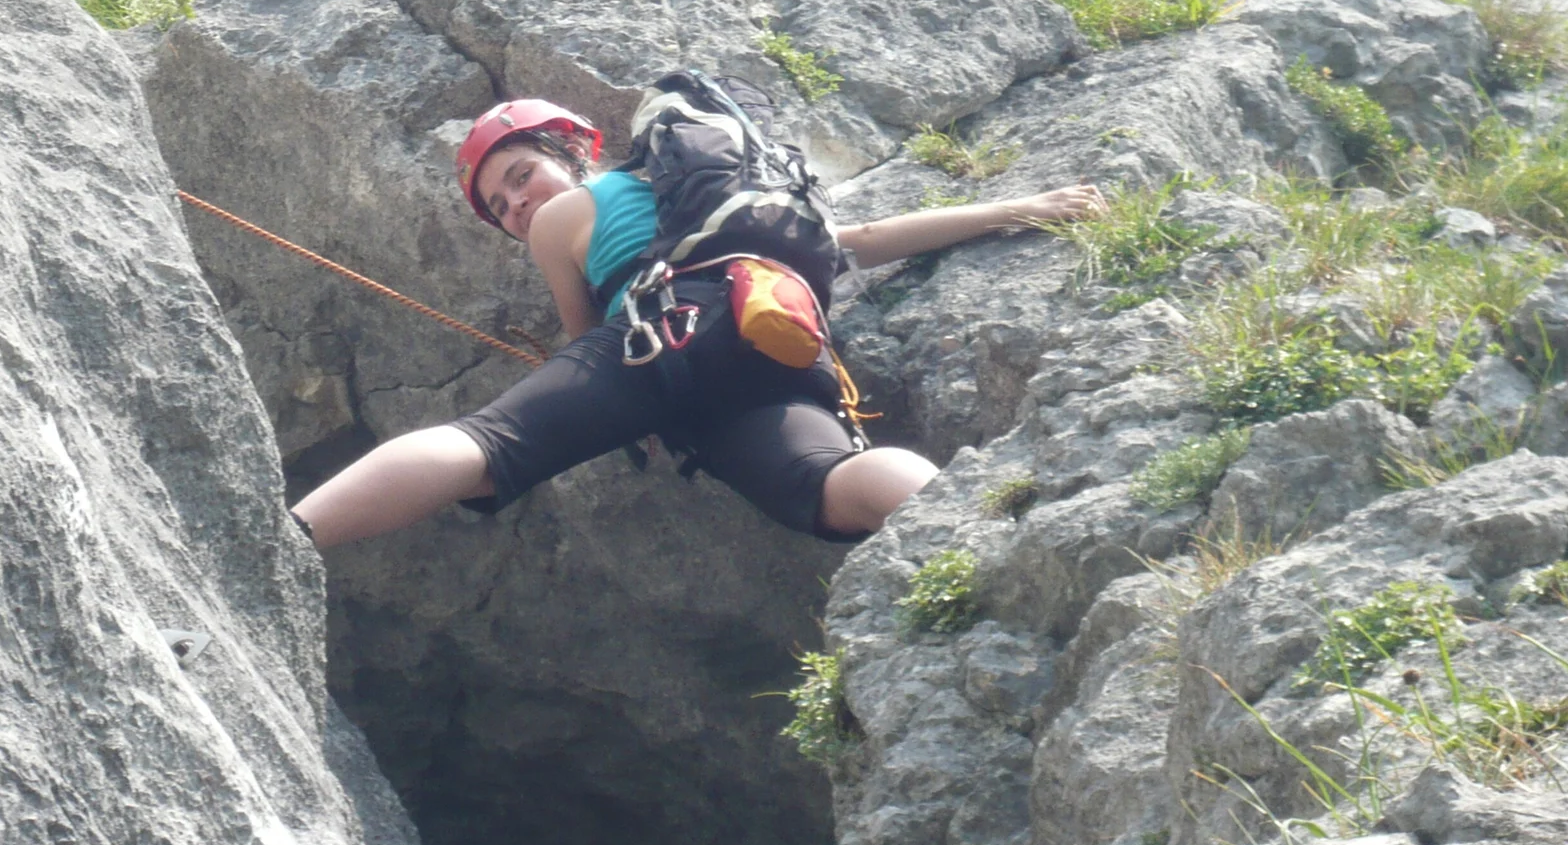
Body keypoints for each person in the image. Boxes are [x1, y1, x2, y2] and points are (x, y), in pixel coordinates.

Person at [295, 97, 1104, 548]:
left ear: (575, 156)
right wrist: (1018, 208)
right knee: (824, 483)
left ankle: (292, 536)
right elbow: (859, 242)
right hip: (776, 339)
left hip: (664, 333)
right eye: (501, 207)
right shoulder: (734, 200)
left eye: (521, 176)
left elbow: (589, 345)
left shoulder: (567, 216)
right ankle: (974, 533)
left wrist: (617, 403)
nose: (518, 205)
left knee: (491, 444)